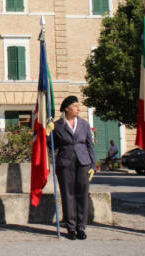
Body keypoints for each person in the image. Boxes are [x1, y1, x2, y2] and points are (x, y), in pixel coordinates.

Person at [52, 95, 96, 240]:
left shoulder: (84, 124)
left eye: (78, 106)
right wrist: (47, 133)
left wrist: (93, 165)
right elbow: (51, 145)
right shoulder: (58, 125)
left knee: (82, 194)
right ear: (67, 108)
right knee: (67, 194)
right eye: (75, 106)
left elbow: (90, 144)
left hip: (83, 162)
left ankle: (81, 227)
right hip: (65, 163)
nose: (78, 108)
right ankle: (71, 227)